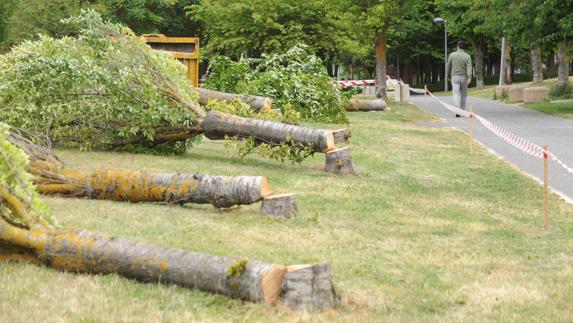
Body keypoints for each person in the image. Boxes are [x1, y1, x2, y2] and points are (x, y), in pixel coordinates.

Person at [446, 41, 473, 117]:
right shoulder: (468, 56)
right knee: (463, 94)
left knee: (456, 93)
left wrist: (447, 75)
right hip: (464, 77)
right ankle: (462, 110)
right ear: (464, 47)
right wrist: (469, 77)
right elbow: (469, 68)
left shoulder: (452, 55)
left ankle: (457, 109)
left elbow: (448, 66)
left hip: (454, 77)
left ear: (457, 46)